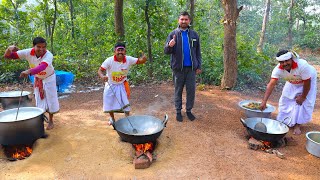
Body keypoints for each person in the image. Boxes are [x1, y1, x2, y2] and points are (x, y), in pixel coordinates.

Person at [4, 37, 60, 130]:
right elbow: (9, 56)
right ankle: (40, 119)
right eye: (38, 47)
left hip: (49, 78)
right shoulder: (28, 52)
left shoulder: (48, 55)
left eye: (44, 47)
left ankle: (51, 121)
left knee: (51, 98)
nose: (41, 49)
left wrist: (29, 71)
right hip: (38, 78)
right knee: (39, 99)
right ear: (33, 46)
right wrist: (9, 49)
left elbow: (42, 67)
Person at [260, 50, 317, 135]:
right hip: (292, 81)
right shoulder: (277, 69)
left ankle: (297, 125)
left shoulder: (303, 66)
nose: (285, 63)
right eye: (282, 62)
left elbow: (307, 83)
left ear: (291, 59)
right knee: (285, 99)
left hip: (307, 81)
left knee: (302, 103)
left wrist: (303, 97)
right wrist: (264, 101)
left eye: (287, 61)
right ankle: (283, 120)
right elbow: (271, 84)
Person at [164, 11, 202, 122]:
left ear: (189, 21)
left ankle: (189, 111)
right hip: (178, 69)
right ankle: (178, 112)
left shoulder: (194, 35)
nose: (184, 21)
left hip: (191, 69)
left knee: (191, 91)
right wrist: (169, 46)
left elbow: (198, 52)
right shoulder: (173, 34)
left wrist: (198, 65)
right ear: (178, 20)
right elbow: (166, 51)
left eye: (186, 19)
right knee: (178, 90)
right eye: (182, 19)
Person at [98, 42, 147, 126]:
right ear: (115, 51)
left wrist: (144, 58)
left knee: (125, 103)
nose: (120, 52)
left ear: (125, 51)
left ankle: (127, 119)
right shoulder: (109, 60)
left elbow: (140, 61)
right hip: (111, 84)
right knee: (109, 103)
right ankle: (112, 119)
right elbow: (100, 70)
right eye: (118, 50)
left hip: (122, 84)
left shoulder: (129, 59)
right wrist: (102, 76)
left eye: (122, 50)